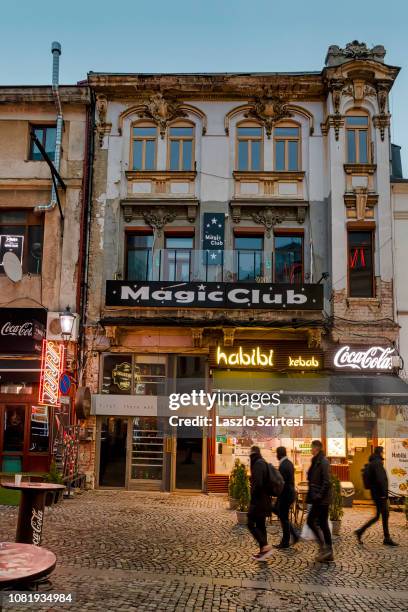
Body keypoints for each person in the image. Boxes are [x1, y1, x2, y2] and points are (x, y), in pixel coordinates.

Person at [355, 446, 398, 546]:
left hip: (376, 494)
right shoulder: (377, 463)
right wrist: (384, 494)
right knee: (383, 514)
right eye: (382, 452)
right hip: (380, 494)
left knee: (380, 515)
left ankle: (361, 531)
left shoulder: (372, 462)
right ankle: (385, 538)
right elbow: (381, 479)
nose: (383, 454)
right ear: (380, 452)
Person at [306, 439, 333, 562]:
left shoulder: (323, 461)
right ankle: (327, 550)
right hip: (318, 498)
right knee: (322, 523)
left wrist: (319, 495)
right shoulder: (316, 461)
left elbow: (327, 481)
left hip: (321, 499)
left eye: (312, 447)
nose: (311, 449)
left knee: (312, 521)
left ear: (316, 448)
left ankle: (325, 548)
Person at [248, 446, 273, 560]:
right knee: (261, 525)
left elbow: (257, 485)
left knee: (250, 524)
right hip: (264, 500)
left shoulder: (258, 464)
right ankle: (263, 552)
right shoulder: (263, 462)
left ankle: (265, 546)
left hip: (258, 501)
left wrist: (252, 496)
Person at [274, 446, 299, 549]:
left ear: (279, 454)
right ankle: (294, 535)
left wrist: (276, 493)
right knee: (281, 514)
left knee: (283, 517)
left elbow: (282, 483)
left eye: (277, 454)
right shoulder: (288, 463)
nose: (276, 456)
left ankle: (285, 542)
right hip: (288, 494)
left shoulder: (283, 465)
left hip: (286, 495)